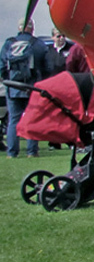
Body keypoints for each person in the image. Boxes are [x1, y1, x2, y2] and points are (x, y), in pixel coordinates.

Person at [3, 18, 50, 158]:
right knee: (33, 118)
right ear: (32, 28)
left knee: (13, 120)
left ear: (19, 28)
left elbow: (1, 67)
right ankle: (32, 151)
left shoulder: (8, 44)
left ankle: (11, 152)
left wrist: (8, 79)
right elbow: (48, 67)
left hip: (13, 87)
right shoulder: (39, 45)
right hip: (33, 87)